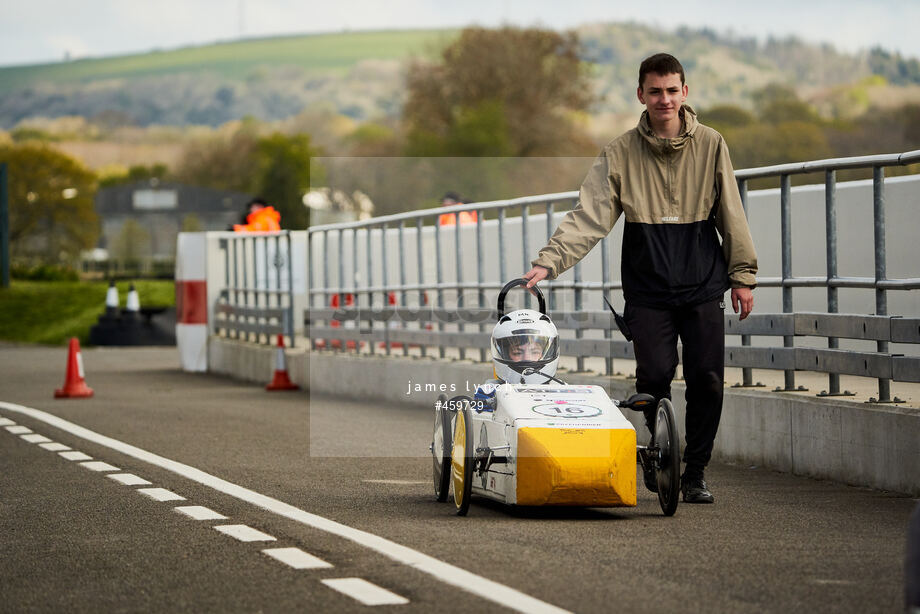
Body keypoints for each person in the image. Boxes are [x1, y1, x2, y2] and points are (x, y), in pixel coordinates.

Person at [523, 53, 757, 504]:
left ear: (684, 93)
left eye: (672, 91)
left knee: (708, 378)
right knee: (653, 375)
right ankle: (659, 453)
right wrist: (551, 261)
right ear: (641, 95)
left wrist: (741, 276)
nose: (664, 99)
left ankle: (695, 472)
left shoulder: (711, 144)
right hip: (648, 288)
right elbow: (588, 217)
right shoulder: (619, 153)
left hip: (702, 282)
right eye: (655, 92)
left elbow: (732, 212)